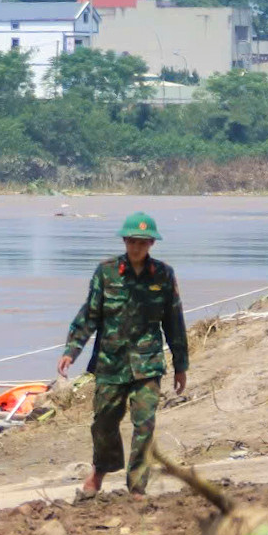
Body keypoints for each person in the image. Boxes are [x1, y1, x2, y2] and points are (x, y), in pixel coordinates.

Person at [57, 212, 189, 501]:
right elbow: (90, 314)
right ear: (125, 241)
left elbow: (174, 322)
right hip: (110, 363)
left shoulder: (164, 275)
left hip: (147, 363)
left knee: (145, 424)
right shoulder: (106, 273)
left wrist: (180, 365)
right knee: (103, 422)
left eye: (142, 242)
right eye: (131, 241)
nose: (136, 247)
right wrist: (72, 350)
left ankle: (137, 486)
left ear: (151, 243)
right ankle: (101, 470)